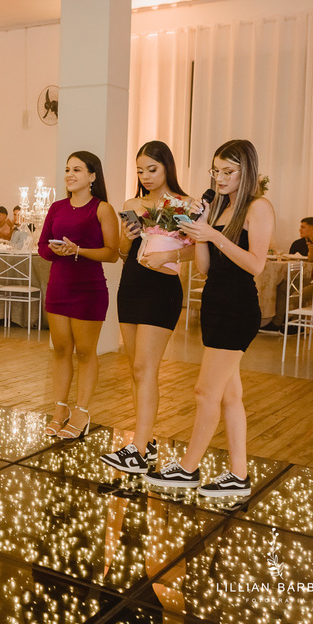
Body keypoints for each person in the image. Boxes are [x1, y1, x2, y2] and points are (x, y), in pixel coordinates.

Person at [146, 139, 275, 498]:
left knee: (205, 392)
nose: (220, 177)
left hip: (237, 308)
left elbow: (256, 264)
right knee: (230, 396)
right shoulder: (219, 207)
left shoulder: (258, 207)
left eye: (228, 171)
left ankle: (188, 468)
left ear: (246, 171)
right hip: (215, 305)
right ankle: (238, 474)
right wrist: (199, 230)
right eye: (216, 171)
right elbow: (204, 268)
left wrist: (214, 235)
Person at [102, 141, 194, 474]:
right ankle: (146, 440)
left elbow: (197, 250)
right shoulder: (132, 204)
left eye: (152, 169)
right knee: (137, 370)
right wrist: (127, 238)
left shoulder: (183, 204)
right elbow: (123, 252)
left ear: (167, 167)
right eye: (140, 170)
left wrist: (170, 254)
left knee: (145, 367)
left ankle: (138, 450)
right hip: (131, 286)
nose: (145, 176)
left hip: (162, 289)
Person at [38, 151, 120, 440]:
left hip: (89, 289)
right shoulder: (57, 207)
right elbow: (42, 247)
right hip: (59, 286)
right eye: (67, 169)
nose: (70, 175)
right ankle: (59, 409)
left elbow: (112, 253)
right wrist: (56, 250)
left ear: (92, 176)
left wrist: (78, 250)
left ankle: (82, 411)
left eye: (77, 170)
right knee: (60, 350)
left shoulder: (102, 209)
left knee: (85, 352)